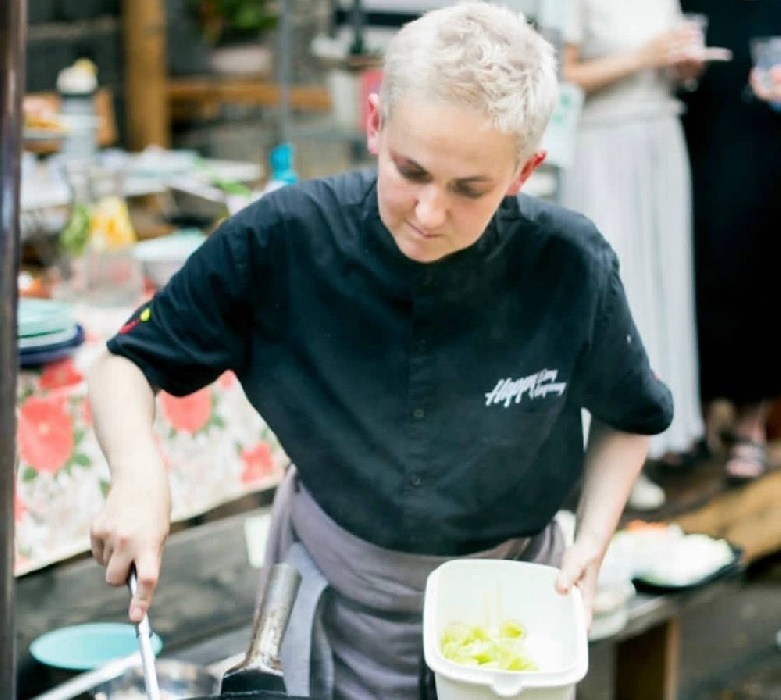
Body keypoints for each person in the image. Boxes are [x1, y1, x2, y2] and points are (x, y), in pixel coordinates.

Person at [87, 2, 673, 698]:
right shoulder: (281, 239)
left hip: (514, 608)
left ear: (523, 171)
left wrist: (591, 546)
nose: (429, 212)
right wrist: (137, 476)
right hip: (338, 594)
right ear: (375, 123)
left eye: (469, 189)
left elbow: (628, 414)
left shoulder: (568, 261)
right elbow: (129, 361)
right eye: (411, 170)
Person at [559, 0, 707, 510]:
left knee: (663, 286)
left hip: (660, 138)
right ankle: (595, 456)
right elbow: (562, 77)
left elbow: (669, 69)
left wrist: (683, 68)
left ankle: (649, 439)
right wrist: (642, 57)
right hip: (601, 147)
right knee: (618, 296)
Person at [679, 0, 781, 484]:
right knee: (692, 279)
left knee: (760, 277)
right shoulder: (684, 4)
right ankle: (696, 420)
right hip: (690, 149)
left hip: (765, 151)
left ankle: (749, 426)